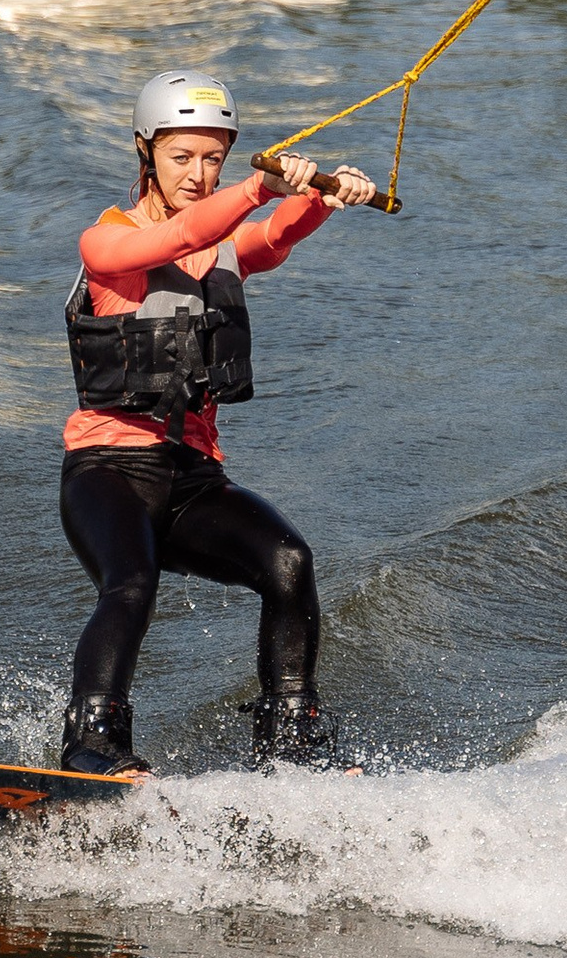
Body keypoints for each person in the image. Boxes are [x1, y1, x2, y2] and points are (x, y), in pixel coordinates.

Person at [58, 70, 380, 772]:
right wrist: (262, 188)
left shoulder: (224, 246)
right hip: (107, 472)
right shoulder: (105, 243)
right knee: (131, 583)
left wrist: (324, 196)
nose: (200, 175)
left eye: (214, 158)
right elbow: (182, 234)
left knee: (289, 562)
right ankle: (92, 748)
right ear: (146, 152)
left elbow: (270, 237)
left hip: (193, 481)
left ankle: (289, 745)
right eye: (182, 158)